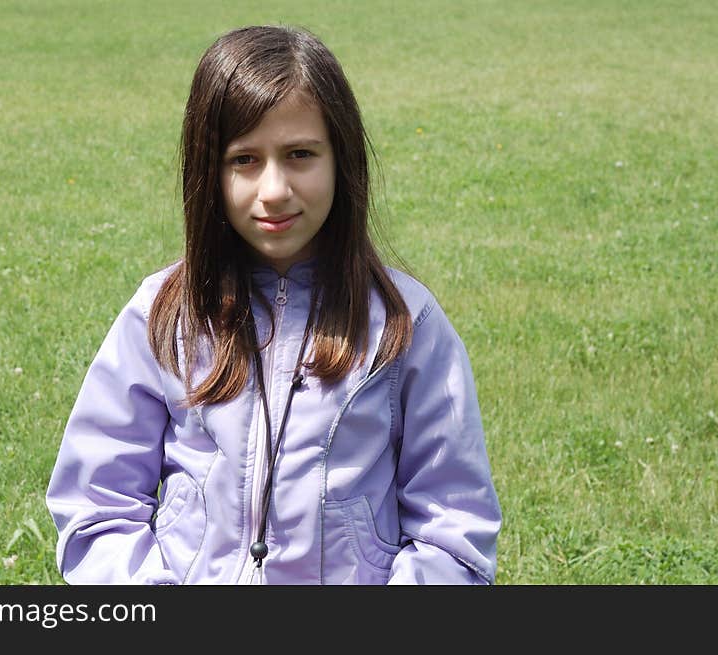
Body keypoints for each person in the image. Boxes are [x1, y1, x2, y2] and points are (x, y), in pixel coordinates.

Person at [45, 25, 501, 585]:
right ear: (207, 172)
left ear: (343, 160)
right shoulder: (163, 314)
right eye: (244, 160)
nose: (274, 189)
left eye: (300, 154)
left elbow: (453, 531)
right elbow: (96, 506)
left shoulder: (404, 325)